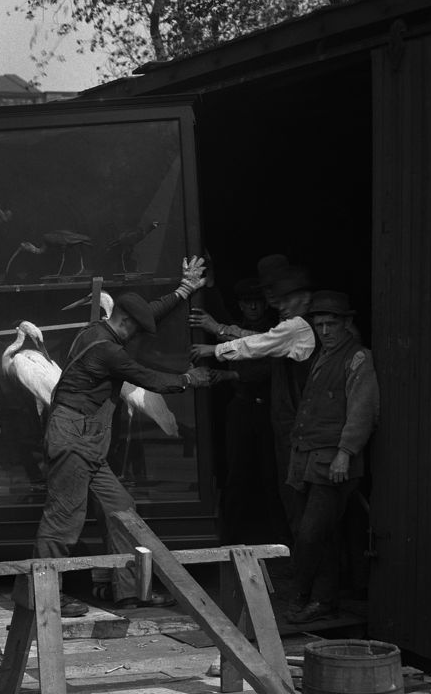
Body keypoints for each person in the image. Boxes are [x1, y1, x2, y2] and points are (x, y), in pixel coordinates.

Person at [22, 259, 212, 619]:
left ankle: (128, 592)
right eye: (136, 330)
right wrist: (190, 380)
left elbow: (146, 312)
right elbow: (150, 379)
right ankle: (42, 597)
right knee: (63, 519)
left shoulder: (98, 328)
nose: (137, 335)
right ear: (124, 322)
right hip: (74, 439)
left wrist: (183, 291)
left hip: (87, 442)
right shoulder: (108, 350)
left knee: (121, 509)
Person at [191, 263, 316, 531]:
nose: (275, 304)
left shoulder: (296, 327)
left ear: (304, 299)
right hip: (266, 413)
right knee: (247, 476)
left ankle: (291, 549)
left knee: (282, 483)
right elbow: (254, 339)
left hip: (288, 418)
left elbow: (258, 345)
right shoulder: (289, 324)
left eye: (282, 298)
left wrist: (216, 349)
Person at [283, 291, 378, 623]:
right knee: (315, 532)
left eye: (331, 324)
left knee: (312, 533)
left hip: (332, 462)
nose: (325, 331)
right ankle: (322, 599)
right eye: (320, 324)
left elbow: (362, 411)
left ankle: (303, 594)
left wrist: (345, 454)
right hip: (305, 458)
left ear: (347, 323)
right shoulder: (321, 356)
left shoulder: (358, 359)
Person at [194, 277, 287, 546]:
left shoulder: (275, 330)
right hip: (241, 405)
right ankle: (230, 540)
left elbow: (268, 364)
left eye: (258, 302)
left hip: (267, 408)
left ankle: (282, 539)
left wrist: (229, 374)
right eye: (248, 303)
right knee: (236, 474)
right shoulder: (238, 328)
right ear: (241, 306)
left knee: (272, 476)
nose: (254, 308)